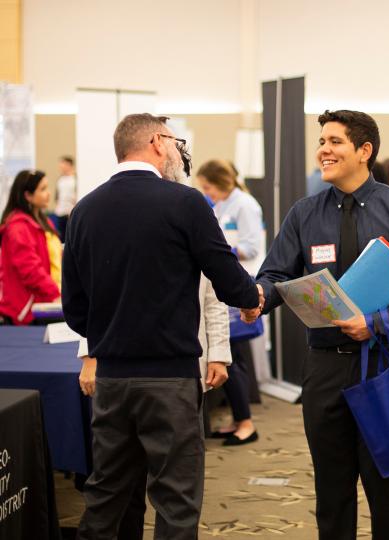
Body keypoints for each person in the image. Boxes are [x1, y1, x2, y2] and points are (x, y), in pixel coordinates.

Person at [242, 110, 389, 540]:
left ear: (364, 150)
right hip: (324, 370)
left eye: (334, 141)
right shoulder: (304, 213)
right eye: (321, 140)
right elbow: (275, 274)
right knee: (331, 492)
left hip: (383, 364)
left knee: (384, 484)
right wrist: (259, 298)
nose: (323, 149)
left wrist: (376, 322)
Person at [61, 113, 260, 539]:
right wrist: (251, 299)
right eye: (173, 142)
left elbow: (75, 311)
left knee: (106, 494)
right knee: (176, 498)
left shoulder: (83, 211)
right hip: (169, 379)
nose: (177, 151)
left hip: (112, 382)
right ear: (156, 141)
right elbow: (226, 277)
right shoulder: (186, 202)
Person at [77, 274, 231, 540]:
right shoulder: (100, 230)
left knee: (175, 488)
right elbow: (92, 290)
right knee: (116, 484)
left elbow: (214, 296)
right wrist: (90, 354)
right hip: (118, 365)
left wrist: (218, 353)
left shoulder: (198, 230)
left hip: (180, 368)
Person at [197, 159, 262, 445]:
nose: (206, 192)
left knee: (231, 357)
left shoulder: (245, 204)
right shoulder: (222, 204)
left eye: (208, 186)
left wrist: (219, 252)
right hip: (223, 283)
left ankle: (246, 423)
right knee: (234, 357)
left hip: (238, 284)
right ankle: (240, 419)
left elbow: (251, 247)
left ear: (221, 181)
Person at [0, 170, 61, 325]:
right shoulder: (17, 228)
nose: (48, 194)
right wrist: (55, 293)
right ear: (28, 195)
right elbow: (30, 269)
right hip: (27, 311)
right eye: (42, 189)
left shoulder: (44, 221)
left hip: (47, 302)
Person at [53, 156, 77, 242]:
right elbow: (57, 196)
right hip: (60, 213)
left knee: (70, 238)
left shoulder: (75, 180)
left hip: (70, 214)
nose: (61, 166)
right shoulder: (60, 180)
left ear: (69, 165)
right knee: (60, 238)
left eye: (63, 164)